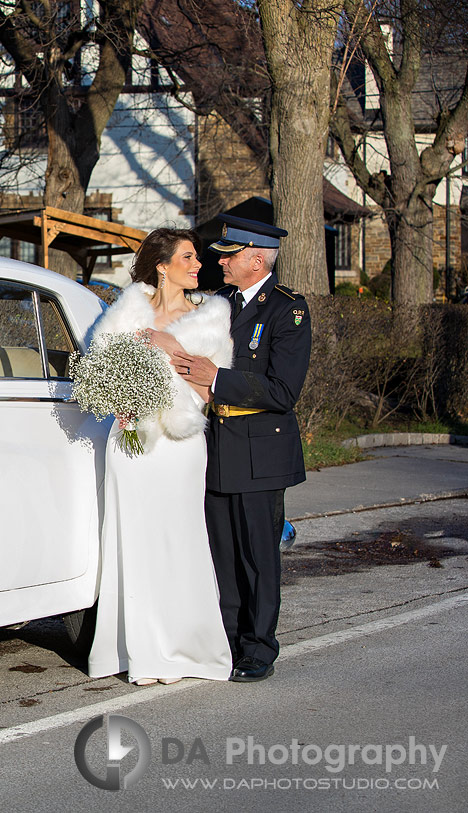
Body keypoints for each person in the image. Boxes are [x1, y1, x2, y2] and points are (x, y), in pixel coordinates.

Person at [87, 228, 234, 686]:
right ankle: (133, 649)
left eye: (197, 259)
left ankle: (183, 650)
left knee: (178, 539)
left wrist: (170, 351)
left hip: (179, 444)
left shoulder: (211, 319)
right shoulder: (127, 312)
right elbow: (96, 368)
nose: (198, 266)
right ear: (162, 266)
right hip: (130, 443)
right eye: (188, 258)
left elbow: (211, 388)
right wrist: (119, 397)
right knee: (131, 540)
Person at [170, 214, 312, 682]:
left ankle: (258, 648)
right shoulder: (222, 303)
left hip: (260, 452)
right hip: (220, 447)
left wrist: (217, 378)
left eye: (230, 257)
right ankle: (227, 642)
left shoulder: (287, 310)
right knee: (223, 553)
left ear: (256, 259)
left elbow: (281, 392)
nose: (221, 263)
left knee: (258, 556)